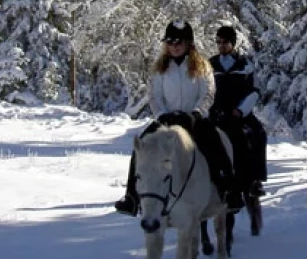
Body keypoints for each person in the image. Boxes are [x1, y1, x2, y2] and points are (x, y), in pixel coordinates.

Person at [114, 20, 245, 217]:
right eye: (170, 42)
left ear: (188, 44)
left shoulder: (202, 66)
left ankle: (229, 189)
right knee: (142, 145)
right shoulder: (160, 68)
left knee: (215, 143)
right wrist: (161, 114)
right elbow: (154, 95)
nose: (174, 47)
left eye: (179, 42)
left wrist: (197, 112)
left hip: (194, 119)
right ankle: (131, 196)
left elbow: (208, 93)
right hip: (166, 119)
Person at [209, 25, 268, 198]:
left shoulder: (245, 64)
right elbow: (205, 91)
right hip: (218, 113)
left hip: (240, 113)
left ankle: (255, 180)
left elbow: (254, 91)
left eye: (225, 42)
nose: (221, 46)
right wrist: (213, 109)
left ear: (233, 43)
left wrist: (241, 110)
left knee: (259, 134)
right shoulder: (210, 65)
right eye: (218, 42)